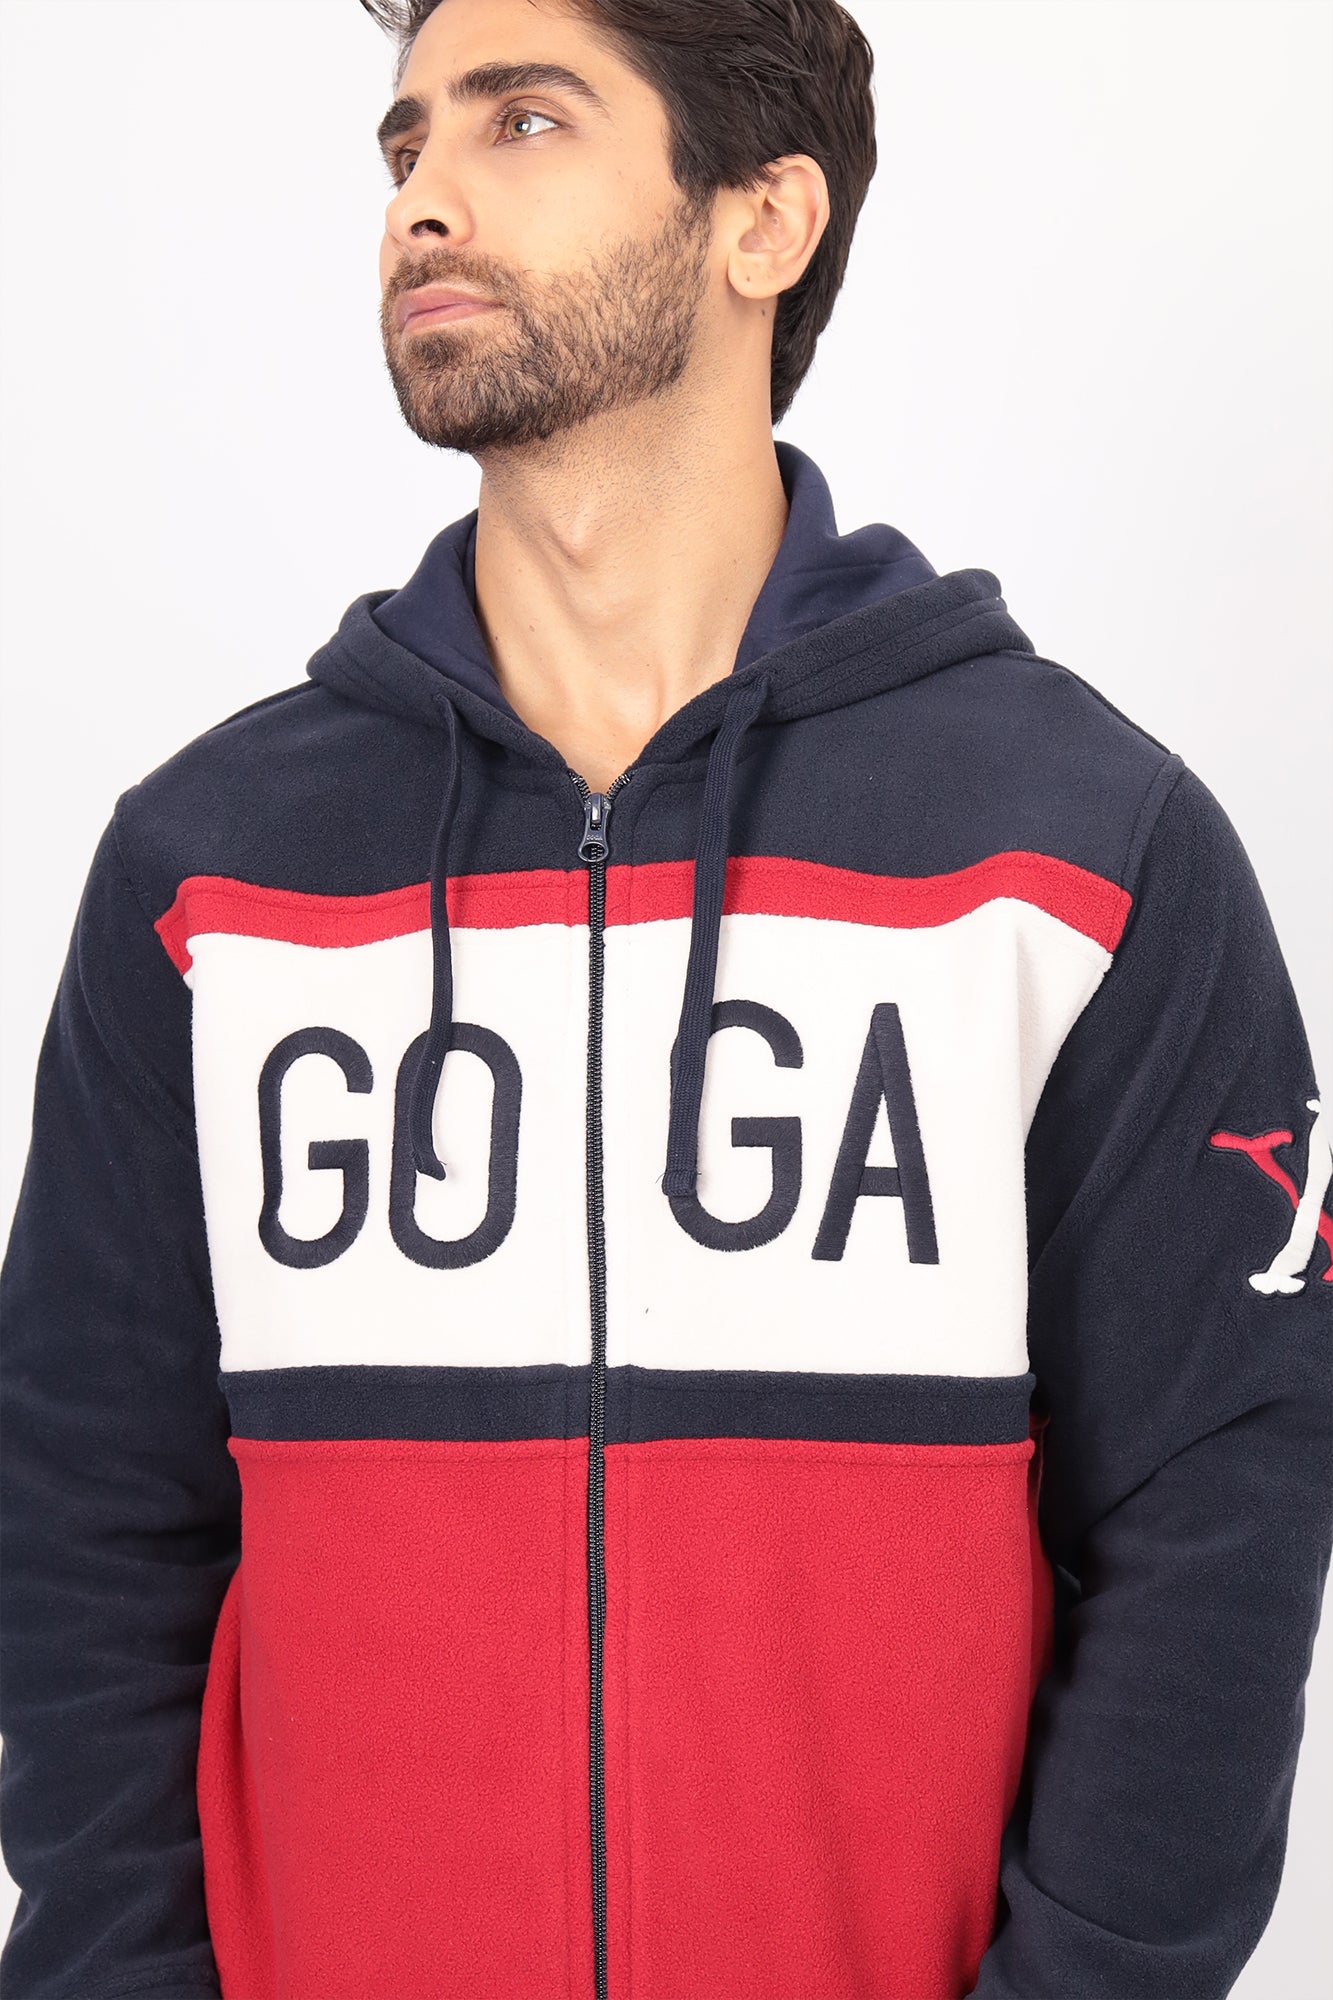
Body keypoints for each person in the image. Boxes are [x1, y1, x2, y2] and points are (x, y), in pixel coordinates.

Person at [1, 0, 1329, 1994]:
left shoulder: (1077, 845)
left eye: (524, 122)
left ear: (760, 221)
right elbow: (80, 1520)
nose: (423, 201)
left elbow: (1220, 1511)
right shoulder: (211, 872)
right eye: (406, 146)